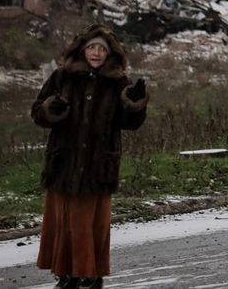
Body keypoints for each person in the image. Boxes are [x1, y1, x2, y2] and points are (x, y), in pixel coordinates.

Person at [32, 25, 149, 289]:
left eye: (102, 49)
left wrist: (135, 103)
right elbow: (38, 112)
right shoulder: (62, 77)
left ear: (110, 54)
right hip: (64, 164)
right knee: (64, 223)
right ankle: (66, 274)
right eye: (91, 48)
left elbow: (130, 123)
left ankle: (91, 274)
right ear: (82, 50)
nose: (96, 53)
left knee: (92, 225)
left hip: (98, 166)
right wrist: (52, 108)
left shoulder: (118, 83)